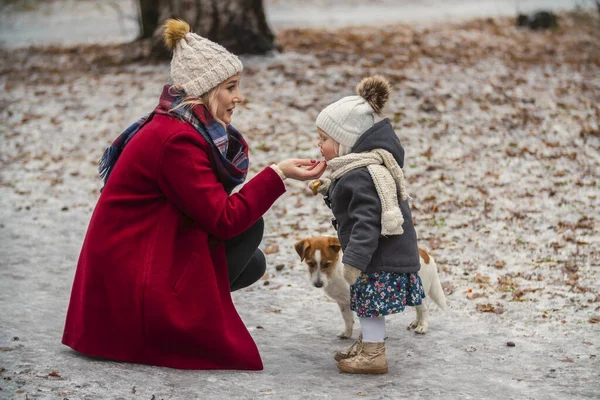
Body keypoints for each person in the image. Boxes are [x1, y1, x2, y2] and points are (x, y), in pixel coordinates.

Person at [62, 19, 326, 371]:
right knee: (247, 228)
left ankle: (187, 311)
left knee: (254, 261)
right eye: (230, 87)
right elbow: (224, 219)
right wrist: (278, 174)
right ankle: (165, 326)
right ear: (206, 90)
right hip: (129, 282)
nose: (239, 97)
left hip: (137, 262)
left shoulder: (177, 125)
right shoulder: (176, 140)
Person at [311, 76, 424, 374]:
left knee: (370, 305)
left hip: (377, 258)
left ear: (345, 142)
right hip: (376, 255)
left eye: (323, 139)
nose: (318, 144)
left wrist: (354, 261)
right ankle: (368, 344)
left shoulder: (361, 174)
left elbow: (367, 222)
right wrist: (329, 189)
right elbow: (352, 208)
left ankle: (374, 355)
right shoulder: (356, 170)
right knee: (364, 304)